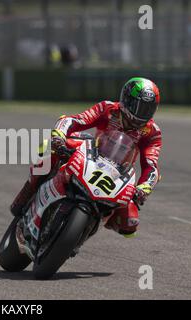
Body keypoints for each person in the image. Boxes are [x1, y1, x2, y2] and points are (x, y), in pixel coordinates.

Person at [10, 77, 162, 250]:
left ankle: (83, 231)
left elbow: (151, 166)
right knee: (47, 148)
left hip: (118, 171)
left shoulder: (152, 132)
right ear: (126, 99)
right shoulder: (108, 109)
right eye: (138, 106)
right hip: (91, 152)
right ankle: (30, 190)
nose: (142, 112)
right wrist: (59, 135)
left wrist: (143, 188)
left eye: (148, 108)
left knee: (130, 224)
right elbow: (74, 120)